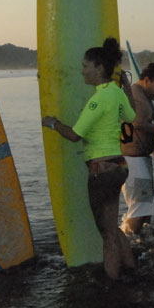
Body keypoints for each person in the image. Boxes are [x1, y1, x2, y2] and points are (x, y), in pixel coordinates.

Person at [42, 37, 136, 280]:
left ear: (98, 68)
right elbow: (131, 115)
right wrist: (125, 85)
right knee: (112, 226)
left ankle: (113, 287)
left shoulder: (98, 99)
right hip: (119, 166)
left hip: (101, 170)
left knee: (106, 233)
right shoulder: (116, 93)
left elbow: (74, 135)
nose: (82, 70)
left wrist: (53, 123)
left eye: (85, 66)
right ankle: (132, 269)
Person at [120, 62, 154, 235]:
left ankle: (141, 241)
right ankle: (128, 244)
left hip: (138, 160)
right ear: (147, 80)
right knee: (140, 206)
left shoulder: (140, 94)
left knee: (147, 205)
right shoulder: (137, 97)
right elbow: (137, 124)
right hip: (132, 161)